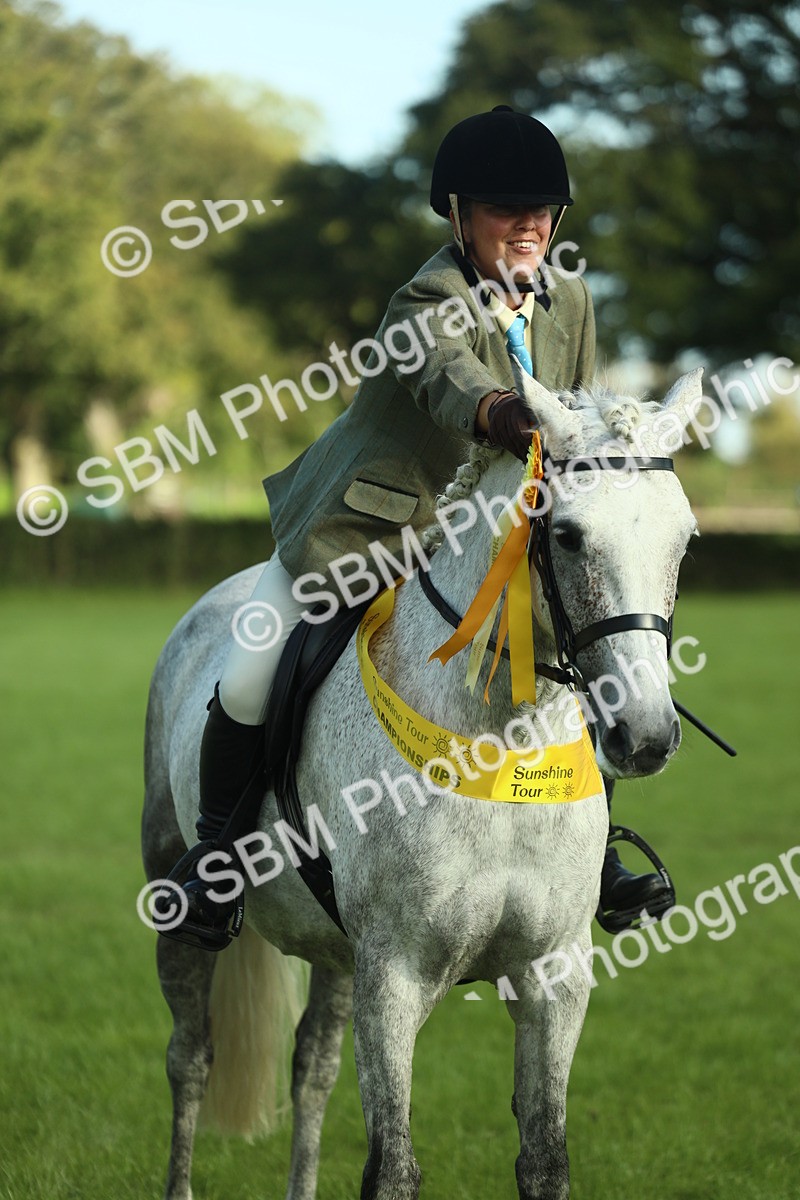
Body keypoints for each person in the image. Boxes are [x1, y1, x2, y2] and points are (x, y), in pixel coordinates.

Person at [162, 105, 672, 948]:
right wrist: (504, 412)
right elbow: (448, 377)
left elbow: (582, 421)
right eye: (506, 209)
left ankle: (598, 853)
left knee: (591, 662)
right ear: (459, 217)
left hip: (497, 549)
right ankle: (215, 861)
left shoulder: (573, 301)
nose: (529, 225)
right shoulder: (424, 299)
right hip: (364, 531)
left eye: (542, 210)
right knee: (251, 674)